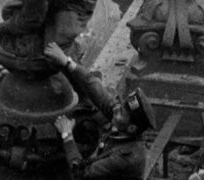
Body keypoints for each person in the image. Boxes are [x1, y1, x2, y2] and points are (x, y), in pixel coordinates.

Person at [44, 42, 155, 180]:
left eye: (121, 112)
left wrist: (67, 135)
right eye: (120, 106)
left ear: (132, 128)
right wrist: (67, 62)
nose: (116, 109)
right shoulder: (123, 124)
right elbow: (96, 90)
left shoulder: (126, 157)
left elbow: (80, 174)